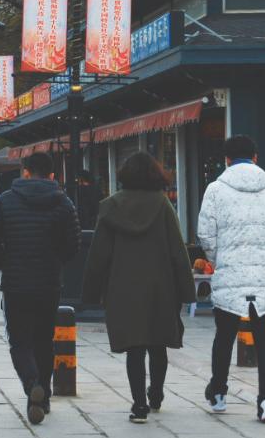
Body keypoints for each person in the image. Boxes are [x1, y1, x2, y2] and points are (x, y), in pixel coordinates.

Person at [82, 152, 195, 423]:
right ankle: (156, 394)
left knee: (135, 346)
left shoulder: (110, 207)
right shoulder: (163, 205)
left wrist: (90, 291)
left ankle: (139, 405)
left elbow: (99, 254)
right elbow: (177, 251)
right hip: (160, 286)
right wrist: (187, 289)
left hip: (122, 287)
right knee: (157, 344)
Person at [197, 135, 265, 423]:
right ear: (255, 157)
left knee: (224, 338)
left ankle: (219, 394)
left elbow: (205, 234)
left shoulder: (216, 189)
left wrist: (220, 259)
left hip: (229, 276)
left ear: (226, 159)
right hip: (263, 278)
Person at [0, 152, 79, 425]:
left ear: (25, 172)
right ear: (51, 174)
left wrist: (6, 261)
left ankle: (32, 384)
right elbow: (73, 243)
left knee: (20, 341)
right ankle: (43, 396)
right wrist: (55, 261)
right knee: (44, 340)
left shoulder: (5, 200)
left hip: (16, 283)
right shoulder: (63, 202)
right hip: (48, 282)